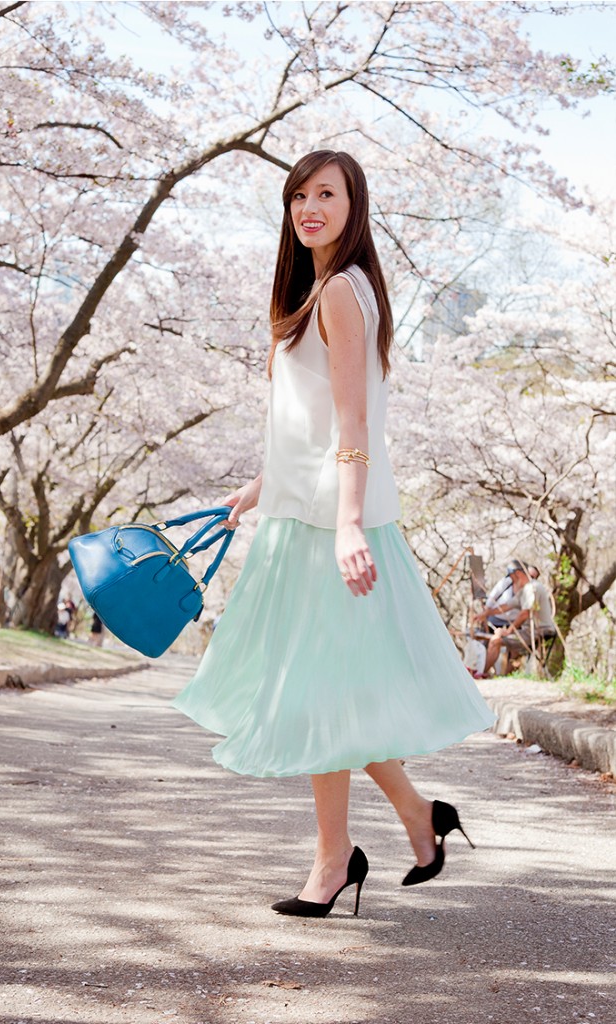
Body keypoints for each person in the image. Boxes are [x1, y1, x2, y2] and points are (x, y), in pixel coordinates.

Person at [172, 150, 495, 918]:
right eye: (299, 195)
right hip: (303, 513)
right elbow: (310, 420)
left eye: (328, 194)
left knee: (318, 694)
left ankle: (335, 859)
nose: (310, 207)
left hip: (329, 525)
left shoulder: (343, 293)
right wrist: (256, 490)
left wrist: (348, 523)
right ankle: (413, 820)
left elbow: (354, 423)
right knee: (330, 692)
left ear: (356, 207)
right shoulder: (323, 289)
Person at [482, 564, 556, 676]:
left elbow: (524, 614)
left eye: (512, 577)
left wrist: (507, 631)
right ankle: (500, 674)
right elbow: (507, 606)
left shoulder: (532, 588)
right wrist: (486, 613)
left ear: (518, 574)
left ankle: (481, 674)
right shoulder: (524, 590)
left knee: (495, 640)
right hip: (528, 631)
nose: (511, 581)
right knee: (507, 643)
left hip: (539, 631)